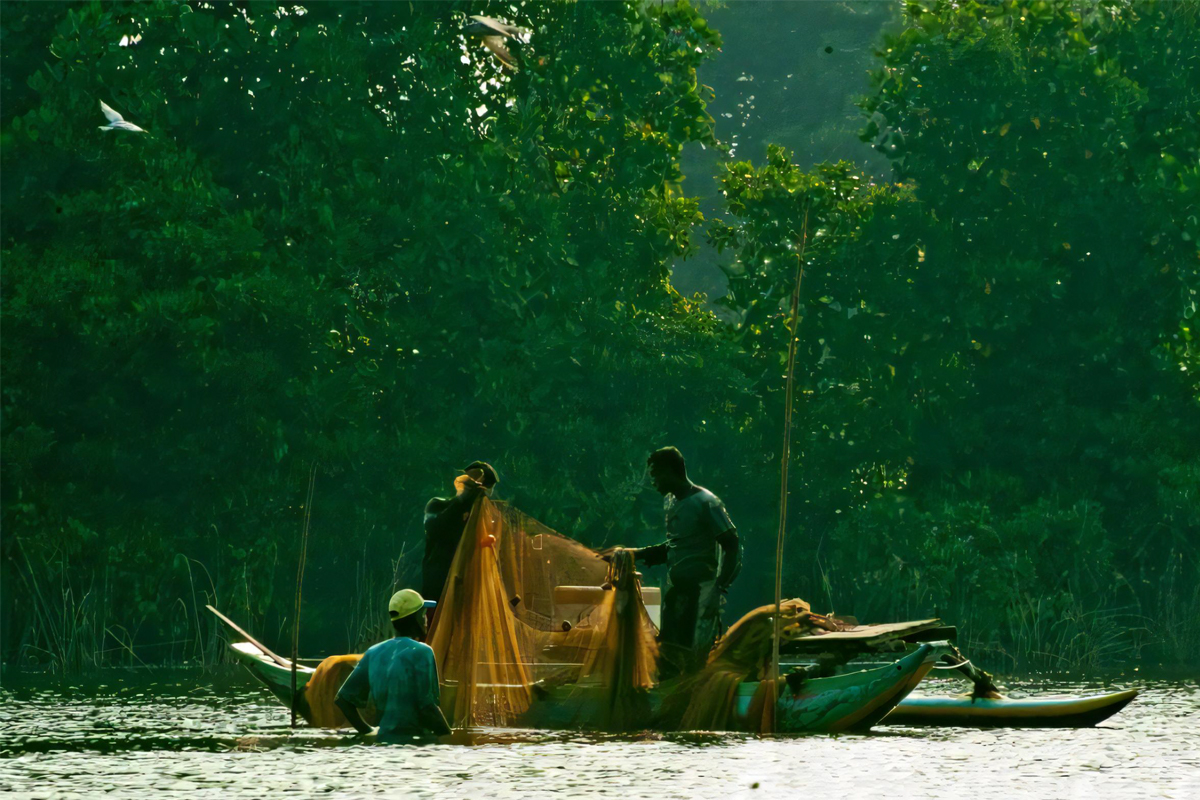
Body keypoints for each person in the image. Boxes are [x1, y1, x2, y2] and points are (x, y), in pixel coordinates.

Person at [627, 447, 742, 675]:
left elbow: (732, 545)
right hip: (678, 595)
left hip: (701, 594)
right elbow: (673, 547)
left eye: (655, 475)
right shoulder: (672, 503)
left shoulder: (706, 502)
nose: (653, 482)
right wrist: (634, 554)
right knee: (669, 656)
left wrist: (719, 588)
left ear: (670, 471)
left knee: (694, 659)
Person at [335, 588, 452, 742]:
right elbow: (427, 707)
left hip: (384, 741)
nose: (426, 620)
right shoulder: (422, 652)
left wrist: (368, 731)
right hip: (417, 744)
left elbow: (342, 700)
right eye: (423, 615)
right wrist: (449, 737)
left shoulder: (373, 652)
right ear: (415, 618)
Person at [421, 461, 499, 602]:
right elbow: (437, 529)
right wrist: (463, 499)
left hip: (468, 590)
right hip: (439, 587)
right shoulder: (437, 505)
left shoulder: (480, 518)